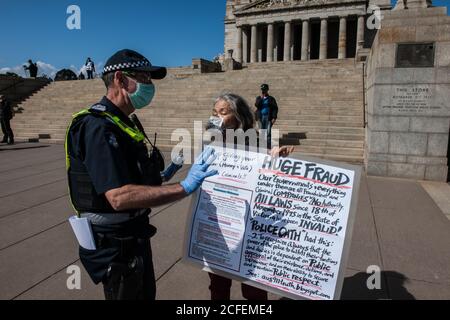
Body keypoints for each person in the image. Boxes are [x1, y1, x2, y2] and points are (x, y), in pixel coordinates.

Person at [65, 49, 218, 300]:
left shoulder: (123, 122)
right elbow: (119, 197)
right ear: (119, 79)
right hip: (115, 243)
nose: (149, 85)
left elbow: (137, 177)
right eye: (143, 78)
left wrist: (170, 170)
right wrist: (184, 187)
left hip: (133, 233)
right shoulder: (98, 127)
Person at [205, 93, 294, 300]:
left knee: (253, 286)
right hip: (220, 224)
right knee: (218, 284)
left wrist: (277, 158)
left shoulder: (254, 141)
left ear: (239, 116)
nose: (216, 117)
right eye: (214, 112)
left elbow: (267, 175)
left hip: (250, 224)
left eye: (223, 112)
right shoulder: (212, 143)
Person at [255, 84, 278, 148]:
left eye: (265, 90)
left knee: (268, 132)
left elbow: (275, 108)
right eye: (262, 90)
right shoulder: (259, 98)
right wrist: (261, 99)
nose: (263, 91)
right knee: (262, 132)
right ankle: (262, 145)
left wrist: (274, 117)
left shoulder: (271, 99)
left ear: (267, 90)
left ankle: (268, 146)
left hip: (268, 117)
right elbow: (257, 105)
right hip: (260, 117)